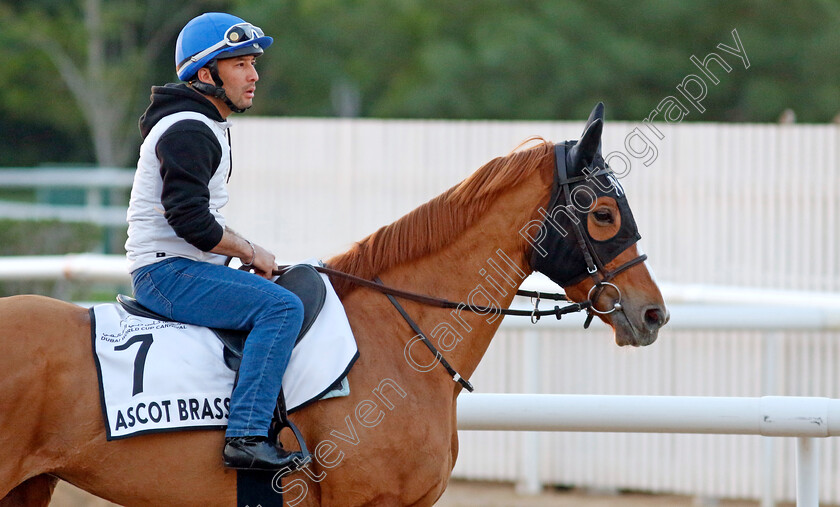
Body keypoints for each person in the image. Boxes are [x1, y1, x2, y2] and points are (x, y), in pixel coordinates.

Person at [125, 12, 305, 472]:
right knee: (281, 308)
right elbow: (191, 222)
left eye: (252, 62)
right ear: (206, 74)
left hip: (179, 267)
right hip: (167, 274)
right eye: (240, 64)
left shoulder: (200, 121)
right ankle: (245, 437)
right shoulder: (189, 127)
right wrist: (250, 251)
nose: (254, 75)